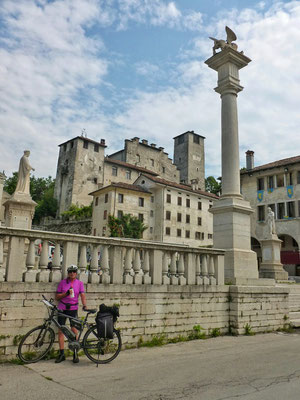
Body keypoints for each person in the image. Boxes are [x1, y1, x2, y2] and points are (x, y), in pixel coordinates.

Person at [55, 265, 87, 363]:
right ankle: (61, 354)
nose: (72, 273)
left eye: (73, 271)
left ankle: (75, 353)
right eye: (70, 272)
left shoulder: (79, 283)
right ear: (68, 273)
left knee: (74, 330)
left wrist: (84, 305)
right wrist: (66, 294)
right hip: (62, 308)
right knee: (61, 330)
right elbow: (57, 297)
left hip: (73, 308)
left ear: (76, 273)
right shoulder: (63, 283)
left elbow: (82, 295)